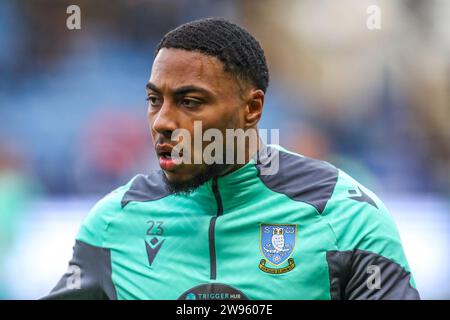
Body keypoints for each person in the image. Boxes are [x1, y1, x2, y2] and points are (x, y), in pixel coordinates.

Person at [43, 17, 419, 300]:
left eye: (190, 102)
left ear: (252, 108)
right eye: (154, 100)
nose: (162, 122)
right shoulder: (112, 225)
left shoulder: (348, 218)